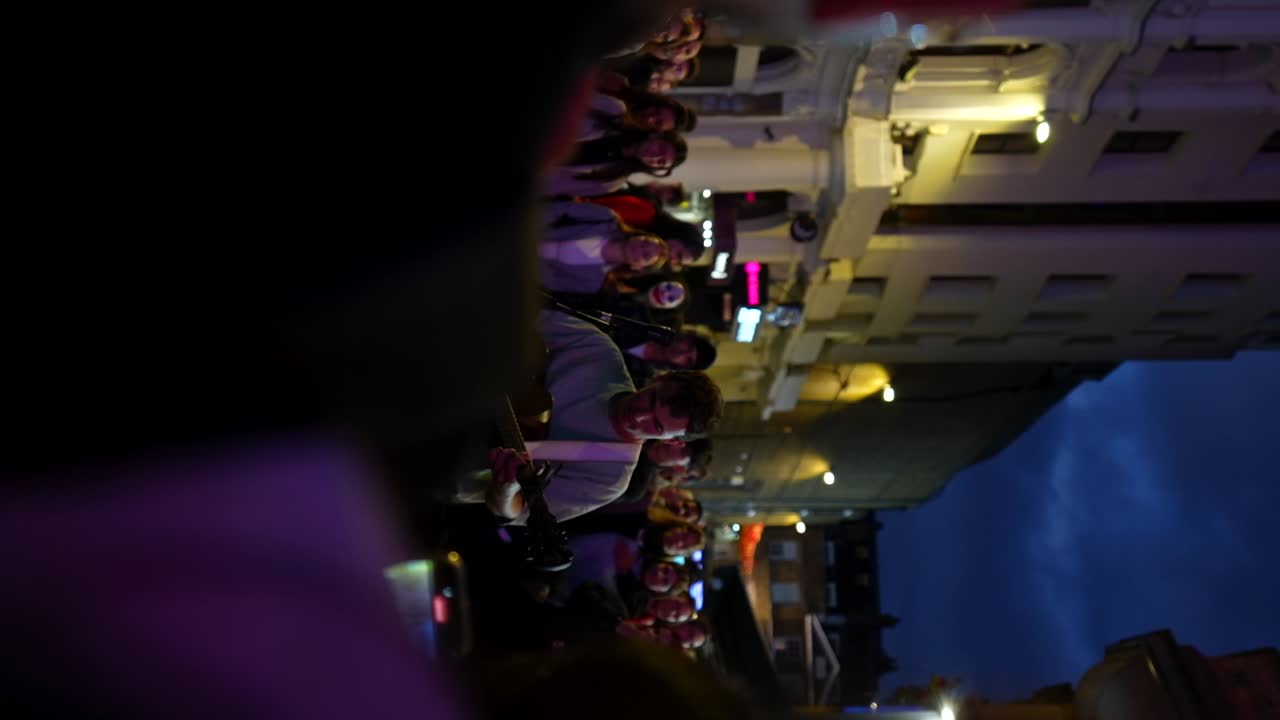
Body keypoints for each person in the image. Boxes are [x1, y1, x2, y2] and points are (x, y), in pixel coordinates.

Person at [479, 310, 723, 524]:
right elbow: (518, 316)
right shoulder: (597, 351)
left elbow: (516, 511)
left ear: (672, 441)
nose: (639, 415)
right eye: (651, 400)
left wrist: (507, 486)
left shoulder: (611, 477)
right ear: (660, 378)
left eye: (656, 425)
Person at [541, 200, 669, 293]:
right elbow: (561, 209)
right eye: (646, 242)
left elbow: (550, 281)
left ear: (638, 267)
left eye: (646, 255)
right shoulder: (607, 218)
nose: (640, 248)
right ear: (640, 235)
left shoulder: (594, 283)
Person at [547, 130, 688, 198]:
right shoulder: (614, 122)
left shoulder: (613, 181)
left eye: (660, 162)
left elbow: (562, 189)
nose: (655, 156)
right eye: (661, 148)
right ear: (657, 136)